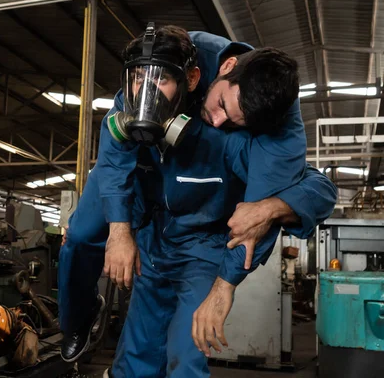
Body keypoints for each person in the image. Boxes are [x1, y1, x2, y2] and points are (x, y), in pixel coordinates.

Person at [58, 24, 337, 377]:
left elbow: (298, 197)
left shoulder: (258, 133)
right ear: (218, 69)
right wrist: (119, 230)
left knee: (185, 354)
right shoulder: (163, 64)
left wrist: (269, 210)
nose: (218, 121)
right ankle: (80, 316)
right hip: (149, 213)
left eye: (235, 122)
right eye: (220, 104)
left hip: (200, 241)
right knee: (80, 238)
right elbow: (115, 154)